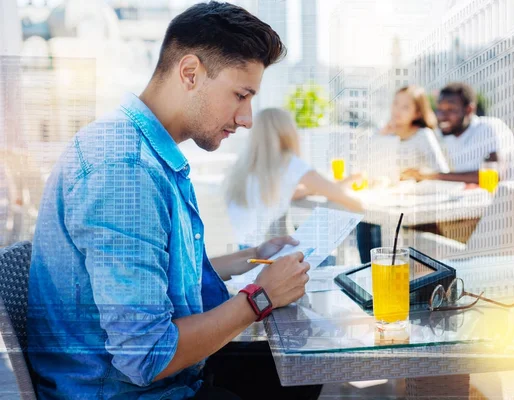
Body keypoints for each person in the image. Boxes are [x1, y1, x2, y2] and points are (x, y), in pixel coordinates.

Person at [27, 3, 321, 399]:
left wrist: (253, 255)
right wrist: (261, 296)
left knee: (299, 369)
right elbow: (146, 355)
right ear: (190, 73)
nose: (248, 118)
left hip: (143, 379)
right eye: (240, 95)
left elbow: (157, 276)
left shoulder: (141, 151)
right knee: (291, 374)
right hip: (124, 391)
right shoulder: (124, 171)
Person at [225, 107, 363, 250]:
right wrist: (365, 207)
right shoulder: (288, 162)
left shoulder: (245, 165)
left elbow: (279, 194)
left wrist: (313, 190)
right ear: (287, 132)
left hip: (239, 253)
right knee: (325, 254)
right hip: (263, 254)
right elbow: (336, 193)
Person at [356, 85, 449, 263]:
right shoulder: (384, 133)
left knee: (378, 225)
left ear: (417, 113)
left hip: (413, 204)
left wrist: (419, 175)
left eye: (405, 107)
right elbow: (363, 167)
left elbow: (442, 173)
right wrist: (380, 137)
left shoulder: (423, 136)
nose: (397, 110)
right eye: (395, 104)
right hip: (387, 197)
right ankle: (369, 269)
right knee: (365, 217)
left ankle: (382, 268)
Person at [402, 82, 514, 184]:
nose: (442, 116)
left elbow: (493, 177)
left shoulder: (489, 127)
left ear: (469, 110)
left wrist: (432, 175)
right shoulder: (445, 138)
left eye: (451, 110)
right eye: (439, 109)